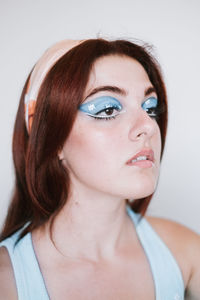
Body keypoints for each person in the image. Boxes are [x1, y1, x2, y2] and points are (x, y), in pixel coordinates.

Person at [0, 38, 199, 300]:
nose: (149, 126)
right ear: (50, 136)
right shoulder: (7, 281)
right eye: (107, 109)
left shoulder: (185, 251)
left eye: (150, 108)